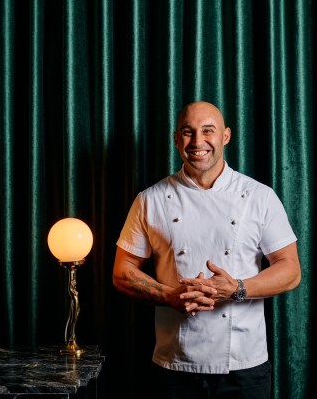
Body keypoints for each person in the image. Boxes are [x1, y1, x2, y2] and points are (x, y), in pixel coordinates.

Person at [112, 101, 301, 399]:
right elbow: (122, 272)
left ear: (225, 136)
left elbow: (290, 269)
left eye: (208, 131)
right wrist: (168, 296)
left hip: (244, 368)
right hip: (173, 367)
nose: (198, 142)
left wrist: (237, 288)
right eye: (188, 132)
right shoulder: (151, 199)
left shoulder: (259, 197)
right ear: (176, 139)